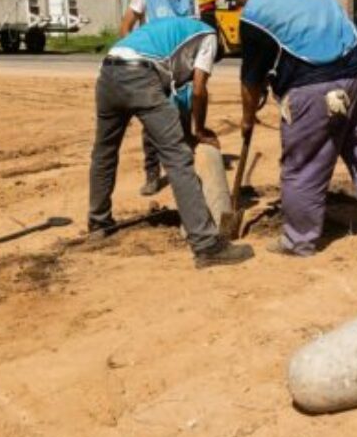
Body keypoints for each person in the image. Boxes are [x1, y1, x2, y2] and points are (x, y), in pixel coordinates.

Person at [221, 0, 357, 259]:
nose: (235, 2)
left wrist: (247, 118)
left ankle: (299, 241)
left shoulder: (254, 15)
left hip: (317, 91)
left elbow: (250, 81)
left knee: (303, 167)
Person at [88, 16, 254, 269]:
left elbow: (168, 99)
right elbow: (199, 89)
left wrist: (186, 132)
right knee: (178, 158)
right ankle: (206, 244)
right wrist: (200, 130)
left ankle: (98, 223)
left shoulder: (173, 33)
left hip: (109, 70)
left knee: (104, 152)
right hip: (140, 74)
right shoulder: (210, 36)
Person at [119, 0, 199, 197]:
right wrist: (131, 58)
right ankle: (152, 174)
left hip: (183, 69)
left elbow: (196, 30)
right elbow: (126, 24)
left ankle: (187, 173)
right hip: (153, 68)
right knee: (152, 125)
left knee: (185, 121)